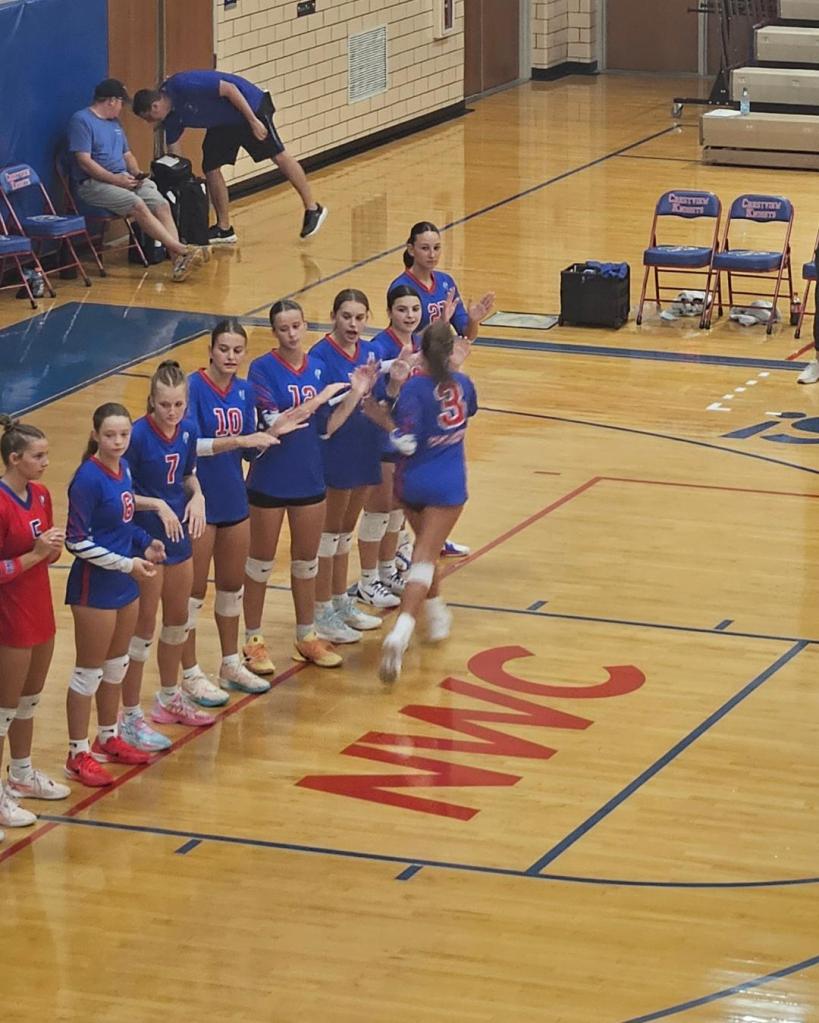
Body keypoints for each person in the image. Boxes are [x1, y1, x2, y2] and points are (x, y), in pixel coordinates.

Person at [242, 299, 373, 671]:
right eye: (283, 328)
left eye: (297, 326)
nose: (291, 334)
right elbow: (278, 423)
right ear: (274, 331)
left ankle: (307, 635)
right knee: (261, 564)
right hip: (269, 479)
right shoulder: (261, 369)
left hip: (309, 477)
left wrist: (355, 394)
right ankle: (253, 639)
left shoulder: (316, 368)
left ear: (305, 325)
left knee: (306, 563)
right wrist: (319, 399)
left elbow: (326, 427)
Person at [182, 319, 308, 702]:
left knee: (231, 588)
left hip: (235, 499)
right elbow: (191, 445)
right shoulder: (192, 387)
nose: (231, 357)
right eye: (224, 349)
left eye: (238, 350)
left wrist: (274, 433)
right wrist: (240, 439)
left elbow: (250, 449)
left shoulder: (245, 390)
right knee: (191, 595)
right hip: (199, 501)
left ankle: (230, 661)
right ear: (211, 349)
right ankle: (187, 673)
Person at [118, 361, 222, 754]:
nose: (172, 412)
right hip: (144, 539)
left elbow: (188, 475)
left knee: (179, 619)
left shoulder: (189, 430)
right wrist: (157, 504)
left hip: (178, 535)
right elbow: (122, 493)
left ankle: (168, 696)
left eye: (178, 404)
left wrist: (198, 495)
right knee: (143, 628)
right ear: (152, 401)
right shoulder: (137, 435)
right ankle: (129, 717)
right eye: (165, 405)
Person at [64, 403, 166, 787]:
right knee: (87, 675)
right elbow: (76, 541)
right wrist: (127, 564)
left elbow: (124, 524)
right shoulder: (87, 479)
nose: (118, 442)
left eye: (124, 435)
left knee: (116, 665)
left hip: (126, 581)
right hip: (95, 589)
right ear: (95, 435)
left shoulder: (123, 469)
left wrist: (146, 543)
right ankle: (76, 753)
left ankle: (107, 737)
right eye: (110, 435)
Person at [379, 321, 478, 683]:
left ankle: (435, 615)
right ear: (450, 351)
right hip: (447, 483)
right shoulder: (463, 384)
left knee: (427, 549)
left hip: (410, 482)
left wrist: (384, 421)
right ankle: (402, 629)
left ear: (420, 351)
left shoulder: (412, 390)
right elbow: (468, 412)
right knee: (424, 557)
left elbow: (402, 443)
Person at [388, 221, 494, 557]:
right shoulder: (402, 287)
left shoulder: (446, 282)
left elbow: (465, 333)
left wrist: (473, 318)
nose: (431, 255)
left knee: (438, 454)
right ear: (410, 249)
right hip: (415, 380)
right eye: (424, 248)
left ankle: (433, 534)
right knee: (413, 459)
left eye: (436, 248)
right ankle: (408, 541)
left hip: (440, 377)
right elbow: (402, 332)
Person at [133, 71, 327, 243]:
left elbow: (230, 90)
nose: (150, 122)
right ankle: (224, 229)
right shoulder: (171, 118)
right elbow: (175, 152)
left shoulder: (183, 84)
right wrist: (180, 179)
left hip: (249, 107)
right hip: (224, 123)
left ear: (156, 106)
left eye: (148, 117)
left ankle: (312, 208)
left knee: (278, 156)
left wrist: (253, 121)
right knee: (211, 166)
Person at [0, 416, 70, 834]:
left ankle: (21, 773)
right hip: (9, 615)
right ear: (14, 459)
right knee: (3, 710)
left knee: (28, 702)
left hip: (39, 607)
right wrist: (35, 554)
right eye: (38, 456)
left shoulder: (41, 494)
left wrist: (50, 551)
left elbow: (50, 556)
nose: (46, 462)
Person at [67, 78, 204, 283]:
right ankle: (183, 250)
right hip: (94, 184)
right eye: (121, 103)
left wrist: (136, 173)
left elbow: (127, 154)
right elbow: (84, 162)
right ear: (111, 101)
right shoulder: (81, 121)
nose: (122, 108)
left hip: (124, 179)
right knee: (138, 206)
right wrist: (115, 179)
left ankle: (179, 262)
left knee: (162, 205)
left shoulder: (115, 124)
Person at [309, 289, 386, 642]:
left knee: (344, 533)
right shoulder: (320, 356)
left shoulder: (372, 352)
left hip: (364, 447)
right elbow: (323, 423)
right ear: (333, 316)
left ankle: (341, 601)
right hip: (336, 452)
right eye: (346, 317)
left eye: (359, 317)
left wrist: (397, 378)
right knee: (328, 534)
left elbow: (380, 401)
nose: (353, 324)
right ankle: (321, 608)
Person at [354, 285, 423, 606]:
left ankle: (387, 570)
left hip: (407, 436)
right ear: (389, 312)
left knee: (396, 506)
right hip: (381, 436)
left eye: (414, 309)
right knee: (379, 507)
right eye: (402, 310)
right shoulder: (380, 347)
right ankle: (368, 580)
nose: (409, 316)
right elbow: (376, 400)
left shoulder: (419, 342)